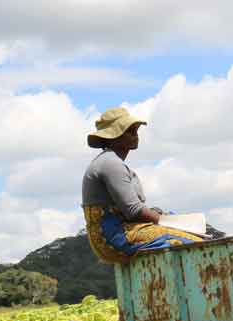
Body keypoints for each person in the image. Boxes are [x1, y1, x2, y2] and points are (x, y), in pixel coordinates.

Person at [81, 106, 219, 264]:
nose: (136, 136)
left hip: (120, 232)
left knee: (185, 228)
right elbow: (134, 210)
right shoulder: (111, 164)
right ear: (114, 136)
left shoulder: (111, 163)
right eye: (130, 131)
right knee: (189, 243)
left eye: (136, 131)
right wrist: (166, 221)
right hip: (114, 237)